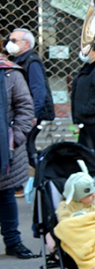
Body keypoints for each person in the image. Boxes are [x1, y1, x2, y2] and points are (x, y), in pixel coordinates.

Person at [1, 37, 35, 259]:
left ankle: (13, 242)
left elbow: (25, 107)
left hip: (6, 148)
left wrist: (16, 137)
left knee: (5, 196)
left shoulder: (10, 73)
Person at [6, 28, 54, 168]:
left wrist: (33, 114)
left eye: (14, 40)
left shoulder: (32, 62)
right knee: (26, 149)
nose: (10, 43)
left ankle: (44, 175)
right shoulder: (20, 61)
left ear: (26, 43)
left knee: (27, 149)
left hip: (30, 115)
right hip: (26, 114)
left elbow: (38, 90)